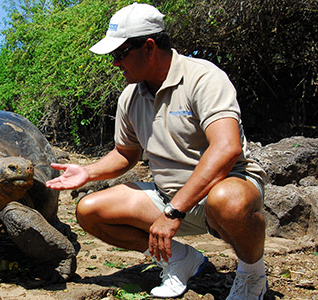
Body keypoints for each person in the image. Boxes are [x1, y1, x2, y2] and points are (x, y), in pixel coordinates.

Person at [45, 3, 268, 299]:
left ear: (149, 47)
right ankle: (179, 259)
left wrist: (174, 211)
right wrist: (88, 172)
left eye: (120, 54)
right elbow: (126, 153)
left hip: (224, 187)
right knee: (89, 210)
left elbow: (227, 149)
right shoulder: (130, 96)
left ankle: (252, 275)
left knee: (228, 202)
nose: (114, 63)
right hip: (167, 197)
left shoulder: (203, 78)